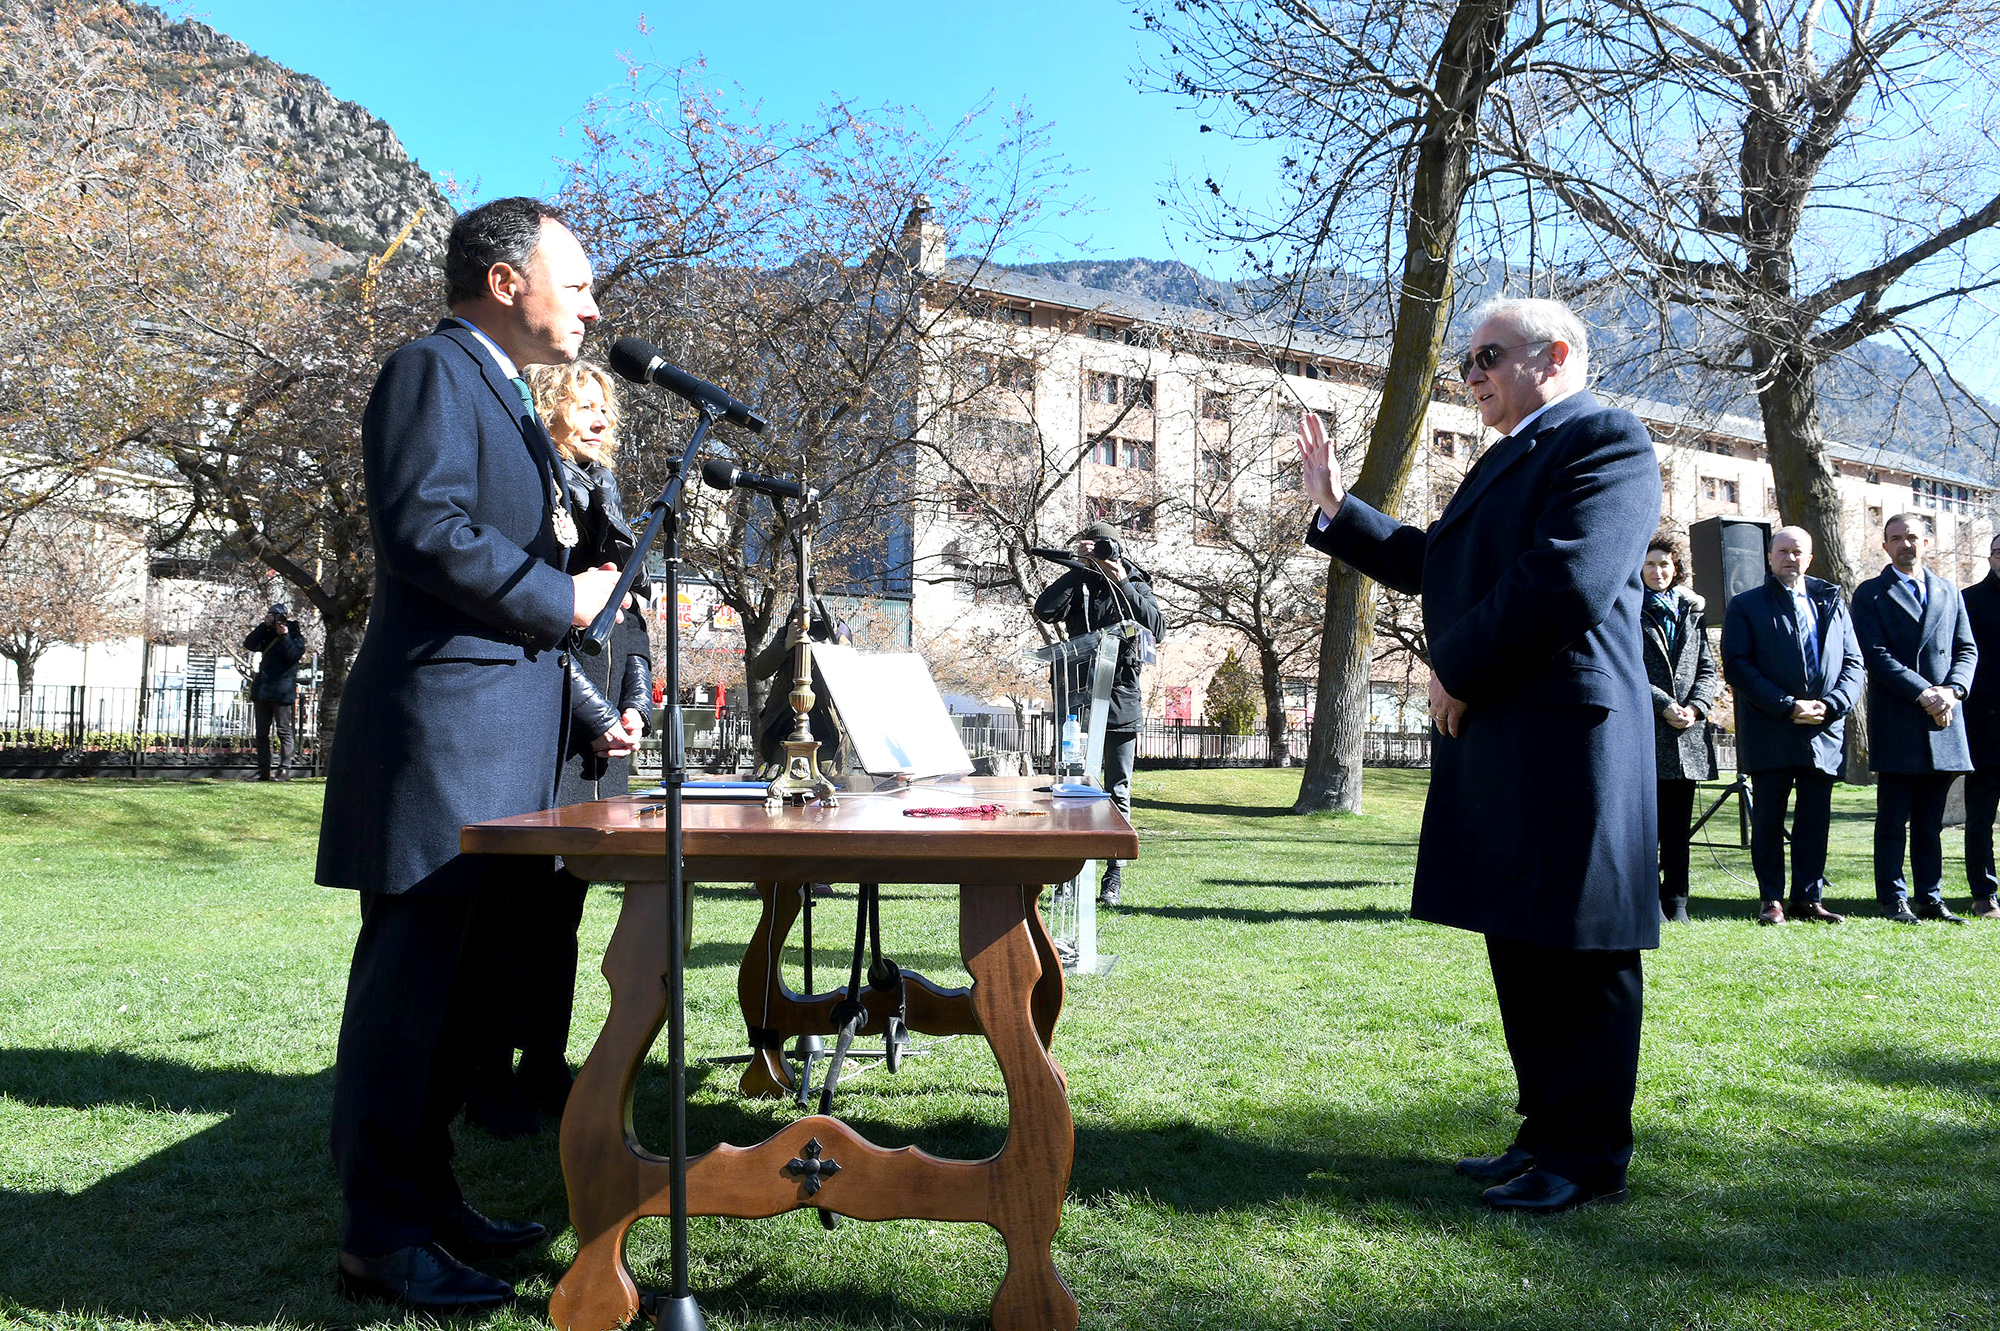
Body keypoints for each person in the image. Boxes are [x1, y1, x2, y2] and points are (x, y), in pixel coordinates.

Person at [317, 196, 623, 1312]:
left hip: (503, 753)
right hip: (440, 749)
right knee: (407, 1004)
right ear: (505, 281)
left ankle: (430, 1200)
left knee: (458, 1011)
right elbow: (427, 528)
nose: (592, 304)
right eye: (576, 280)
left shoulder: (503, 389)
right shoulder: (431, 372)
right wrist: (564, 598)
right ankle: (377, 1234)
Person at [1298, 296, 1660, 1214]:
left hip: (1568, 742)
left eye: (1488, 356)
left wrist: (1453, 665)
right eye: (1465, 362)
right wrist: (1341, 510)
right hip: (1507, 733)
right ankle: (1544, 1135)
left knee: (1582, 958)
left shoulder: (1606, 440)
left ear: (1556, 355)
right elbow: (1442, 563)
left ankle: (1588, 1157)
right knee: (1524, 945)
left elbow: (1565, 580)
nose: (1472, 376)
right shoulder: (1510, 456)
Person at [461, 360, 655, 1136]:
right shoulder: (537, 498)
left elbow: (631, 620)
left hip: (598, 748)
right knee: (512, 913)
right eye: (584, 401)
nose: (602, 416)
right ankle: (489, 1077)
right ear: (546, 408)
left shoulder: (604, 498)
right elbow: (541, 631)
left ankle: (546, 1058)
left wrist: (634, 705)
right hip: (548, 729)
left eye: (607, 404)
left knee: (562, 913)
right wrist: (596, 712)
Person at [1718, 526, 1864, 925]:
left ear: (1810, 557)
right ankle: (1771, 900)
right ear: (1769, 557)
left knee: (1815, 820)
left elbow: (1853, 663)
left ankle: (1808, 898)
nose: (1790, 558)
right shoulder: (1746, 605)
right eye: (1782, 551)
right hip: (1771, 728)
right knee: (1768, 818)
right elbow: (1739, 666)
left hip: (1823, 729)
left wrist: (1830, 705)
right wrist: (1787, 706)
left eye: (1797, 551)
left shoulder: (1832, 602)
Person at [1851, 512, 1978, 924]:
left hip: (1944, 719)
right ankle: (1892, 898)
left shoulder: (1948, 591)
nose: (1906, 544)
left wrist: (1952, 691)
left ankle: (1930, 896)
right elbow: (1875, 654)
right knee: (1893, 818)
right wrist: (1924, 692)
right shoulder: (1870, 593)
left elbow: (1966, 650)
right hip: (1901, 717)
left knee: (1930, 822)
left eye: (1913, 537)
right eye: (1896, 538)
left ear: (1927, 543)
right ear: (1885, 546)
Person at [1031, 519, 1164, 906]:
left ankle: (1113, 876)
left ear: (1117, 551)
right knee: (1073, 790)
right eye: (1093, 549)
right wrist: (1079, 570)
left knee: (1117, 789)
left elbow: (1155, 626)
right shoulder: (1080, 585)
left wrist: (1120, 580)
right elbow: (1045, 610)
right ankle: (1067, 878)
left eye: (1103, 549)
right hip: (1079, 701)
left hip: (1120, 700)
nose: (1099, 556)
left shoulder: (1136, 584)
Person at [1640, 528, 1720, 924]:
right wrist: (1664, 704)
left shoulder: (1692, 612)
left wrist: (1696, 706)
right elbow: (1628, 669)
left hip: (1686, 734)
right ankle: (1647, 900)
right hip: (1646, 732)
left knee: (1678, 830)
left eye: (1665, 564)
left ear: (1677, 568)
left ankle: (1678, 902)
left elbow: (1708, 669)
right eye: (1650, 564)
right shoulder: (1630, 608)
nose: (1658, 571)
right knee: (1646, 828)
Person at [1958, 531, 2000, 919]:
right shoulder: (1968, 601)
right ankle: (1984, 893)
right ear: (1991, 557)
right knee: (1980, 819)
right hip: (1986, 730)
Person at [243, 602, 306, 780]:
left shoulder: (295, 635)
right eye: (272, 615)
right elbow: (249, 644)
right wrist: (264, 625)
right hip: (263, 690)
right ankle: (264, 770)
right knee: (262, 733)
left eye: (278, 616)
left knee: (284, 731)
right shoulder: (266, 633)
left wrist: (284, 635)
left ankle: (284, 769)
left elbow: (293, 656)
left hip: (282, 691)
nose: (276, 620)